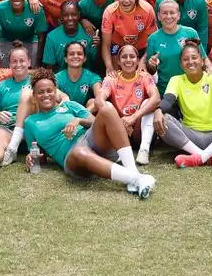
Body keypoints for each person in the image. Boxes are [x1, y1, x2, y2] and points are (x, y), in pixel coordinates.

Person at [23, 69, 155, 199]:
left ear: (55, 92)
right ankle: (137, 179)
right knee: (79, 151)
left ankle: (133, 172)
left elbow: (95, 122)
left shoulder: (69, 106)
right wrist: (31, 157)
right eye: (40, 92)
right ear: (34, 95)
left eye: (49, 91)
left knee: (107, 110)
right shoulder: (30, 122)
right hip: (71, 156)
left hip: (90, 140)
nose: (46, 95)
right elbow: (40, 156)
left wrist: (78, 121)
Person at [155, 41, 212, 167]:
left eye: (194, 57)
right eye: (185, 59)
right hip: (191, 136)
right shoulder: (176, 80)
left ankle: (198, 158)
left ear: (202, 61)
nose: (190, 61)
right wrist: (158, 110)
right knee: (163, 118)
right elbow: (167, 101)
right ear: (181, 64)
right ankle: (207, 156)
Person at [101, 43, 160, 164]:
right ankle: (116, 150)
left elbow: (156, 98)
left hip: (140, 130)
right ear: (118, 61)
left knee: (148, 102)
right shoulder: (111, 78)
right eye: (124, 57)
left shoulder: (144, 76)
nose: (128, 60)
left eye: (132, 56)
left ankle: (144, 150)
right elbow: (99, 99)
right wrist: (120, 123)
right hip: (120, 131)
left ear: (138, 60)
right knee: (107, 106)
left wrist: (133, 118)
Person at [0, 45, 34, 174]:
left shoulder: (37, 82)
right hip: (7, 129)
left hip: (31, 129)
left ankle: (11, 150)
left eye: (22, 60)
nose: (18, 64)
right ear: (9, 64)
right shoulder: (1, 86)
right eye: (14, 61)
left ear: (29, 62)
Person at [100, 0, 157, 75]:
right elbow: (106, 44)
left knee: (143, 76)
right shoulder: (109, 12)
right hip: (118, 48)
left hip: (142, 48)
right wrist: (110, 68)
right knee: (115, 76)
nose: (126, 1)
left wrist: (143, 61)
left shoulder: (147, 10)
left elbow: (153, 41)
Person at [145, 0, 204, 86]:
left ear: (178, 15)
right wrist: (151, 65)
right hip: (165, 90)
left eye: (172, 13)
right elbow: (151, 71)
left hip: (191, 87)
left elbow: (203, 59)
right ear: (158, 16)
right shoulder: (153, 39)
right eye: (164, 13)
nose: (168, 16)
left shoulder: (191, 33)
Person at [0, 0, 44, 64]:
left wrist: (37, 62)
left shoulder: (36, 8)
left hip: (29, 41)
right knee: (6, 70)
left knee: (29, 69)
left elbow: (41, 37)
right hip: (6, 40)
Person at [44, 0, 100, 72]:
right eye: (65, 15)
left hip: (86, 78)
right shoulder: (52, 37)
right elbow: (50, 67)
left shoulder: (89, 31)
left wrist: (98, 47)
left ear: (79, 15)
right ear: (61, 16)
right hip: (61, 79)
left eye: (74, 14)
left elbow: (96, 63)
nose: (70, 18)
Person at [55, 42, 103, 108]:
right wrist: (63, 96)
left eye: (79, 54)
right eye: (71, 54)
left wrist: (84, 113)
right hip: (64, 113)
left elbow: (100, 97)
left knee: (93, 101)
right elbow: (51, 89)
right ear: (65, 59)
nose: (75, 56)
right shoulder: (57, 77)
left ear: (85, 58)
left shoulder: (93, 77)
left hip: (86, 114)